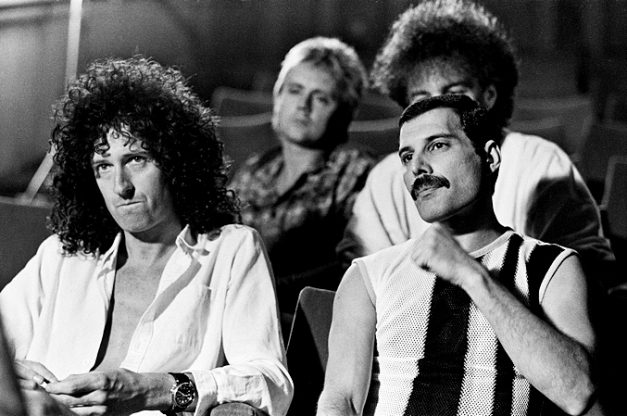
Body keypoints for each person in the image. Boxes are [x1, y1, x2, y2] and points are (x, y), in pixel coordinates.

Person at [0, 56, 293, 416]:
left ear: (175, 160)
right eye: (103, 166)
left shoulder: (230, 249)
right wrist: (11, 374)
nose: (120, 186)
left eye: (136, 159)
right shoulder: (61, 255)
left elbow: (270, 381)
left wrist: (154, 389)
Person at [318, 95, 597, 416]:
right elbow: (340, 401)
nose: (417, 167)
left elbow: (576, 392)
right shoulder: (369, 275)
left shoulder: (551, 266)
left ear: (489, 157)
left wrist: (471, 275)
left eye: (437, 145)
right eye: (407, 156)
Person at [338, 0, 615, 287]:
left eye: (455, 93)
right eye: (422, 99)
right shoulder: (385, 178)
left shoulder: (540, 162)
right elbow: (365, 284)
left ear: (489, 96)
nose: (438, 110)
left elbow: (581, 275)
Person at [229, 37, 376, 326]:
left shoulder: (355, 170)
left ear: (344, 114)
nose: (303, 106)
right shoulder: (256, 170)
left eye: (321, 98)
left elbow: (351, 266)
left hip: (306, 320)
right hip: (241, 312)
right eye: (295, 91)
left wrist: (265, 291)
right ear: (278, 97)